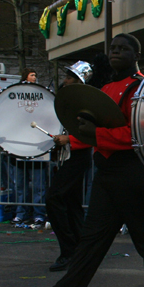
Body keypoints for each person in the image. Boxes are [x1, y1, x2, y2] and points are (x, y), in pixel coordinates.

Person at [23, 33, 144, 287]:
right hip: (107, 172)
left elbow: (136, 133)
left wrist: (91, 135)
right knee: (92, 240)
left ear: (136, 55)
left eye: (123, 48)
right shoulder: (105, 87)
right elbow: (92, 132)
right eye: (113, 48)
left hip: (135, 173)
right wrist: (73, 138)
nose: (116, 52)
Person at [44, 62, 94, 272]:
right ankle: (80, 252)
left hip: (78, 155)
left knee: (54, 198)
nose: (65, 81)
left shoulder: (86, 102)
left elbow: (91, 132)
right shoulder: (72, 100)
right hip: (70, 156)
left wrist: (70, 139)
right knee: (72, 204)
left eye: (70, 77)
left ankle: (69, 252)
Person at [12, 69, 48, 226]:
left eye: (35, 75)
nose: (35, 77)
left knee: (39, 185)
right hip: (20, 146)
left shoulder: (41, 94)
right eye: (32, 75)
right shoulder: (16, 94)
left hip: (38, 147)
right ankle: (21, 213)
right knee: (20, 185)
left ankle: (38, 213)